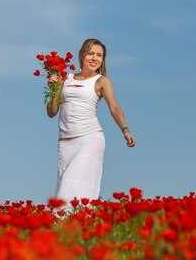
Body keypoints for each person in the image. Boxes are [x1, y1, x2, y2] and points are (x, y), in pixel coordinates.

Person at [46, 38, 135, 206]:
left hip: (90, 139)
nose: (95, 58)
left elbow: (114, 107)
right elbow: (51, 112)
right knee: (65, 188)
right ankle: (72, 228)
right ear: (82, 55)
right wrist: (54, 90)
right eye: (91, 53)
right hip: (66, 143)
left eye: (99, 55)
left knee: (70, 185)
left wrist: (125, 130)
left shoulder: (101, 81)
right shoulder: (66, 79)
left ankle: (67, 226)